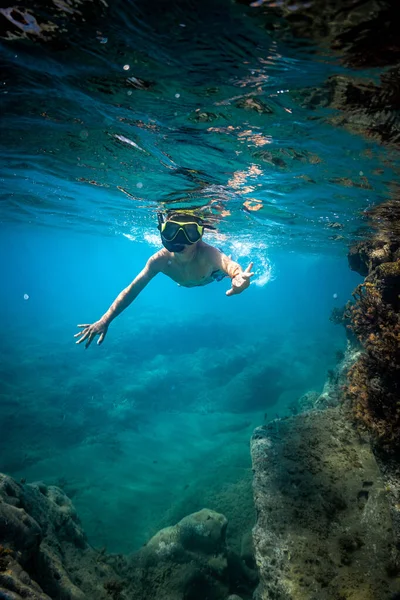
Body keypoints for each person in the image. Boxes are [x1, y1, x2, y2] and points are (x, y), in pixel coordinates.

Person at [75, 212, 254, 348]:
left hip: (212, 275)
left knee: (221, 270)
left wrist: (238, 276)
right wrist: (105, 320)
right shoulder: (158, 261)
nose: (180, 240)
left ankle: (221, 271)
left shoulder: (207, 253)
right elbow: (132, 290)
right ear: (162, 231)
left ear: (200, 235)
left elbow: (227, 263)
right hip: (188, 282)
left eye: (189, 232)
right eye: (172, 231)